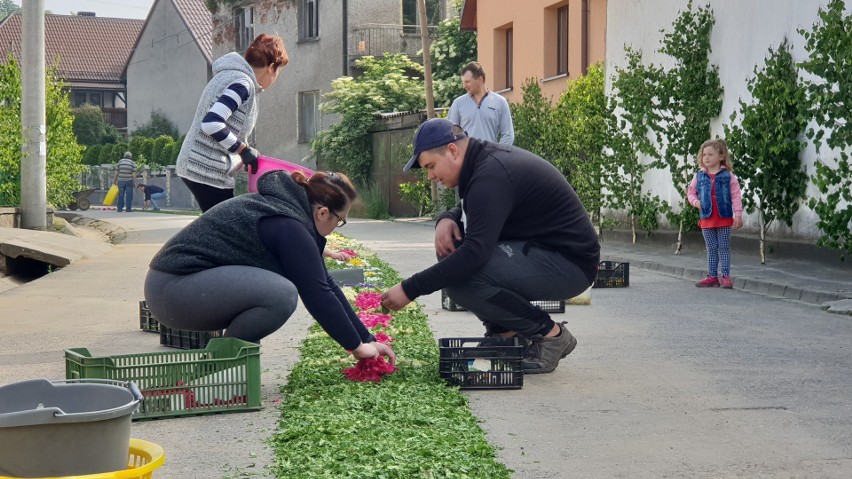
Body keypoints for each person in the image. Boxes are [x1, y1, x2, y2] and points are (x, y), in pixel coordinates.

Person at [380, 119, 599, 374]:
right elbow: (479, 209)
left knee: (462, 278)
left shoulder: (490, 173)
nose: (430, 177)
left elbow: (475, 253)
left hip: (569, 264)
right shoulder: (480, 164)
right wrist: (447, 218)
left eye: (431, 166)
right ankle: (505, 334)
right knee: (453, 253)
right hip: (541, 250)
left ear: (452, 150)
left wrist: (410, 289)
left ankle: (551, 335)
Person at [144, 170, 395, 365]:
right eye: (340, 221)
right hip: (174, 289)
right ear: (323, 213)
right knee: (280, 294)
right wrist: (357, 347)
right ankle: (218, 367)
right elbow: (316, 293)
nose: (337, 226)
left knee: (279, 291)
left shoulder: (287, 212)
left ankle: (225, 365)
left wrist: (366, 339)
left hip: (181, 287)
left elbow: (325, 283)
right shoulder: (288, 225)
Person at [176, 33, 289, 212]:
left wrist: (240, 155)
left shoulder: (232, 77)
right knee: (229, 229)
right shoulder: (243, 83)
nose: (276, 78)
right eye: (278, 72)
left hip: (200, 166)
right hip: (205, 169)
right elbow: (212, 123)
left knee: (221, 228)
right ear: (271, 67)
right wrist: (242, 150)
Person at [687, 138, 743, 289]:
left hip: (724, 218)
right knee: (711, 248)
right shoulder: (699, 176)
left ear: (721, 156)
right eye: (704, 154)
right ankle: (712, 276)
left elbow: (736, 195)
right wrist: (696, 202)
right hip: (707, 218)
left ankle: (725, 276)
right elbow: (691, 193)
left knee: (723, 247)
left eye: (710, 154)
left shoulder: (728, 176)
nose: (706, 157)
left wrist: (738, 214)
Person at [447, 61, 514, 145]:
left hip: (490, 156)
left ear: (480, 79)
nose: (464, 86)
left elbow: (508, 135)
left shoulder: (500, 102)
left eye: (467, 82)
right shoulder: (458, 104)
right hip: (467, 157)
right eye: (463, 82)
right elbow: (451, 134)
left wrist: (496, 154)